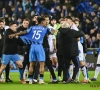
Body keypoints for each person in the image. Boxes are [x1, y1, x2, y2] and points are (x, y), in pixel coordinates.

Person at [9, 17, 55, 84]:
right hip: (39, 46)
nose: (46, 23)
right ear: (42, 22)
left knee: (31, 64)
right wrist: (49, 33)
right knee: (41, 64)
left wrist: (15, 34)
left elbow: (24, 32)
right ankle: (41, 80)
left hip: (32, 46)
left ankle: (30, 79)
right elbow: (53, 31)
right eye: (45, 22)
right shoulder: (45, 28)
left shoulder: (32, 27)